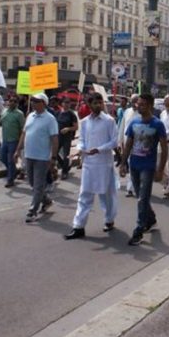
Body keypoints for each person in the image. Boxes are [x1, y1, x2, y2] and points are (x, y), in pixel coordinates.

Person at [64, 93, 118, 240]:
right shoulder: (85, 122)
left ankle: (109, 219)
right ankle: (78, 226)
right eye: (95, 103)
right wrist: (79, 150)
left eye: (100, 102)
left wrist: (98, 149)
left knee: (106, 195)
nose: (98, 105)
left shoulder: (109, 121)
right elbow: (81, 140)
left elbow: (114, 142)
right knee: (84, 195)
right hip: (88, 164)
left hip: (104, 164)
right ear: (88, 104)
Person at [119, 93, 167, 246]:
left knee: (142, 198)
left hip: (148, 166)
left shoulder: (158, 124)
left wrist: (160, 170)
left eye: (142, 104)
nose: (138, 106)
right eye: (138, 104)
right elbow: (128, 144)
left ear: (150, 106)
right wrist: (123, 163)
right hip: (134, 165)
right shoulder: (133, 122)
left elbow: (164, 149)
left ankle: (139, 230)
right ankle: (151, 219)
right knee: (141, 196)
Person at [14, 93, 58, 223]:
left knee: (38, 185)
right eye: (32, 100)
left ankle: (32, 211)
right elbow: (24, 133)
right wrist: (18, 150)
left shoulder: (50, 119)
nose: (33, 102)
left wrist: (53, 157)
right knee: (32, 183)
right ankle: (47, 200)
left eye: (36, 101)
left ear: (44, 103)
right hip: (29, 155)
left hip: (42, 157)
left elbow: (54, 139)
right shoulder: (30, 116)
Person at [0, 96, 25, 187]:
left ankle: (10, 180)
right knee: (2, 157)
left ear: (17, 103)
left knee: (11, 161)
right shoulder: (4, 111)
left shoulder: (19, 114)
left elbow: (23, 129)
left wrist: (21, 143)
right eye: (11, 101)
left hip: (14, 141)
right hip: (5, 140)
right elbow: (0, 122)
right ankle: (13, 171)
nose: (12, 102)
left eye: (15, 101)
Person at [118, 94, 140, 197]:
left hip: (139, 144)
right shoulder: (127, 112)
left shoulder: (142, 113)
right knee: (130, 165)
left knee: (137, 166)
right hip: (127, 144)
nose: (134, 103)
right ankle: (130, 188)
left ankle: (136, 187)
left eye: (136, 100)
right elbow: (122, 127)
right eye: (132, 101)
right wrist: (120, 141)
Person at [56, 98, 79, 180]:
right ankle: (63, 165)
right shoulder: (58, 113)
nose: (67, 104)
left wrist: (68, 129)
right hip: (58, 136)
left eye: (68, 103)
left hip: (67, 137)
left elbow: (76, 127)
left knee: (66, 155)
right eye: (65, 102)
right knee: (54, 153)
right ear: (62, 103)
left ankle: (64, 172)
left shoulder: (71, 114)